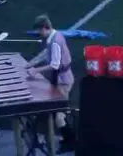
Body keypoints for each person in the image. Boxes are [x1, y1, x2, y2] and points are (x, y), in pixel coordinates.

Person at [29, 15, 75, 153]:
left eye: (39, 31)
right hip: (61, 78)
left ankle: (70, 142)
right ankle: (70, 138)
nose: (39, 34)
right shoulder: (56, 35)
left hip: (63, 80)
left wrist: (35, 70)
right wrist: (31, 63)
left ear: (45, 27)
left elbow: (54, 64)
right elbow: (45, 53)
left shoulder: (54, 41)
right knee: (60, 111)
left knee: (58, 116)